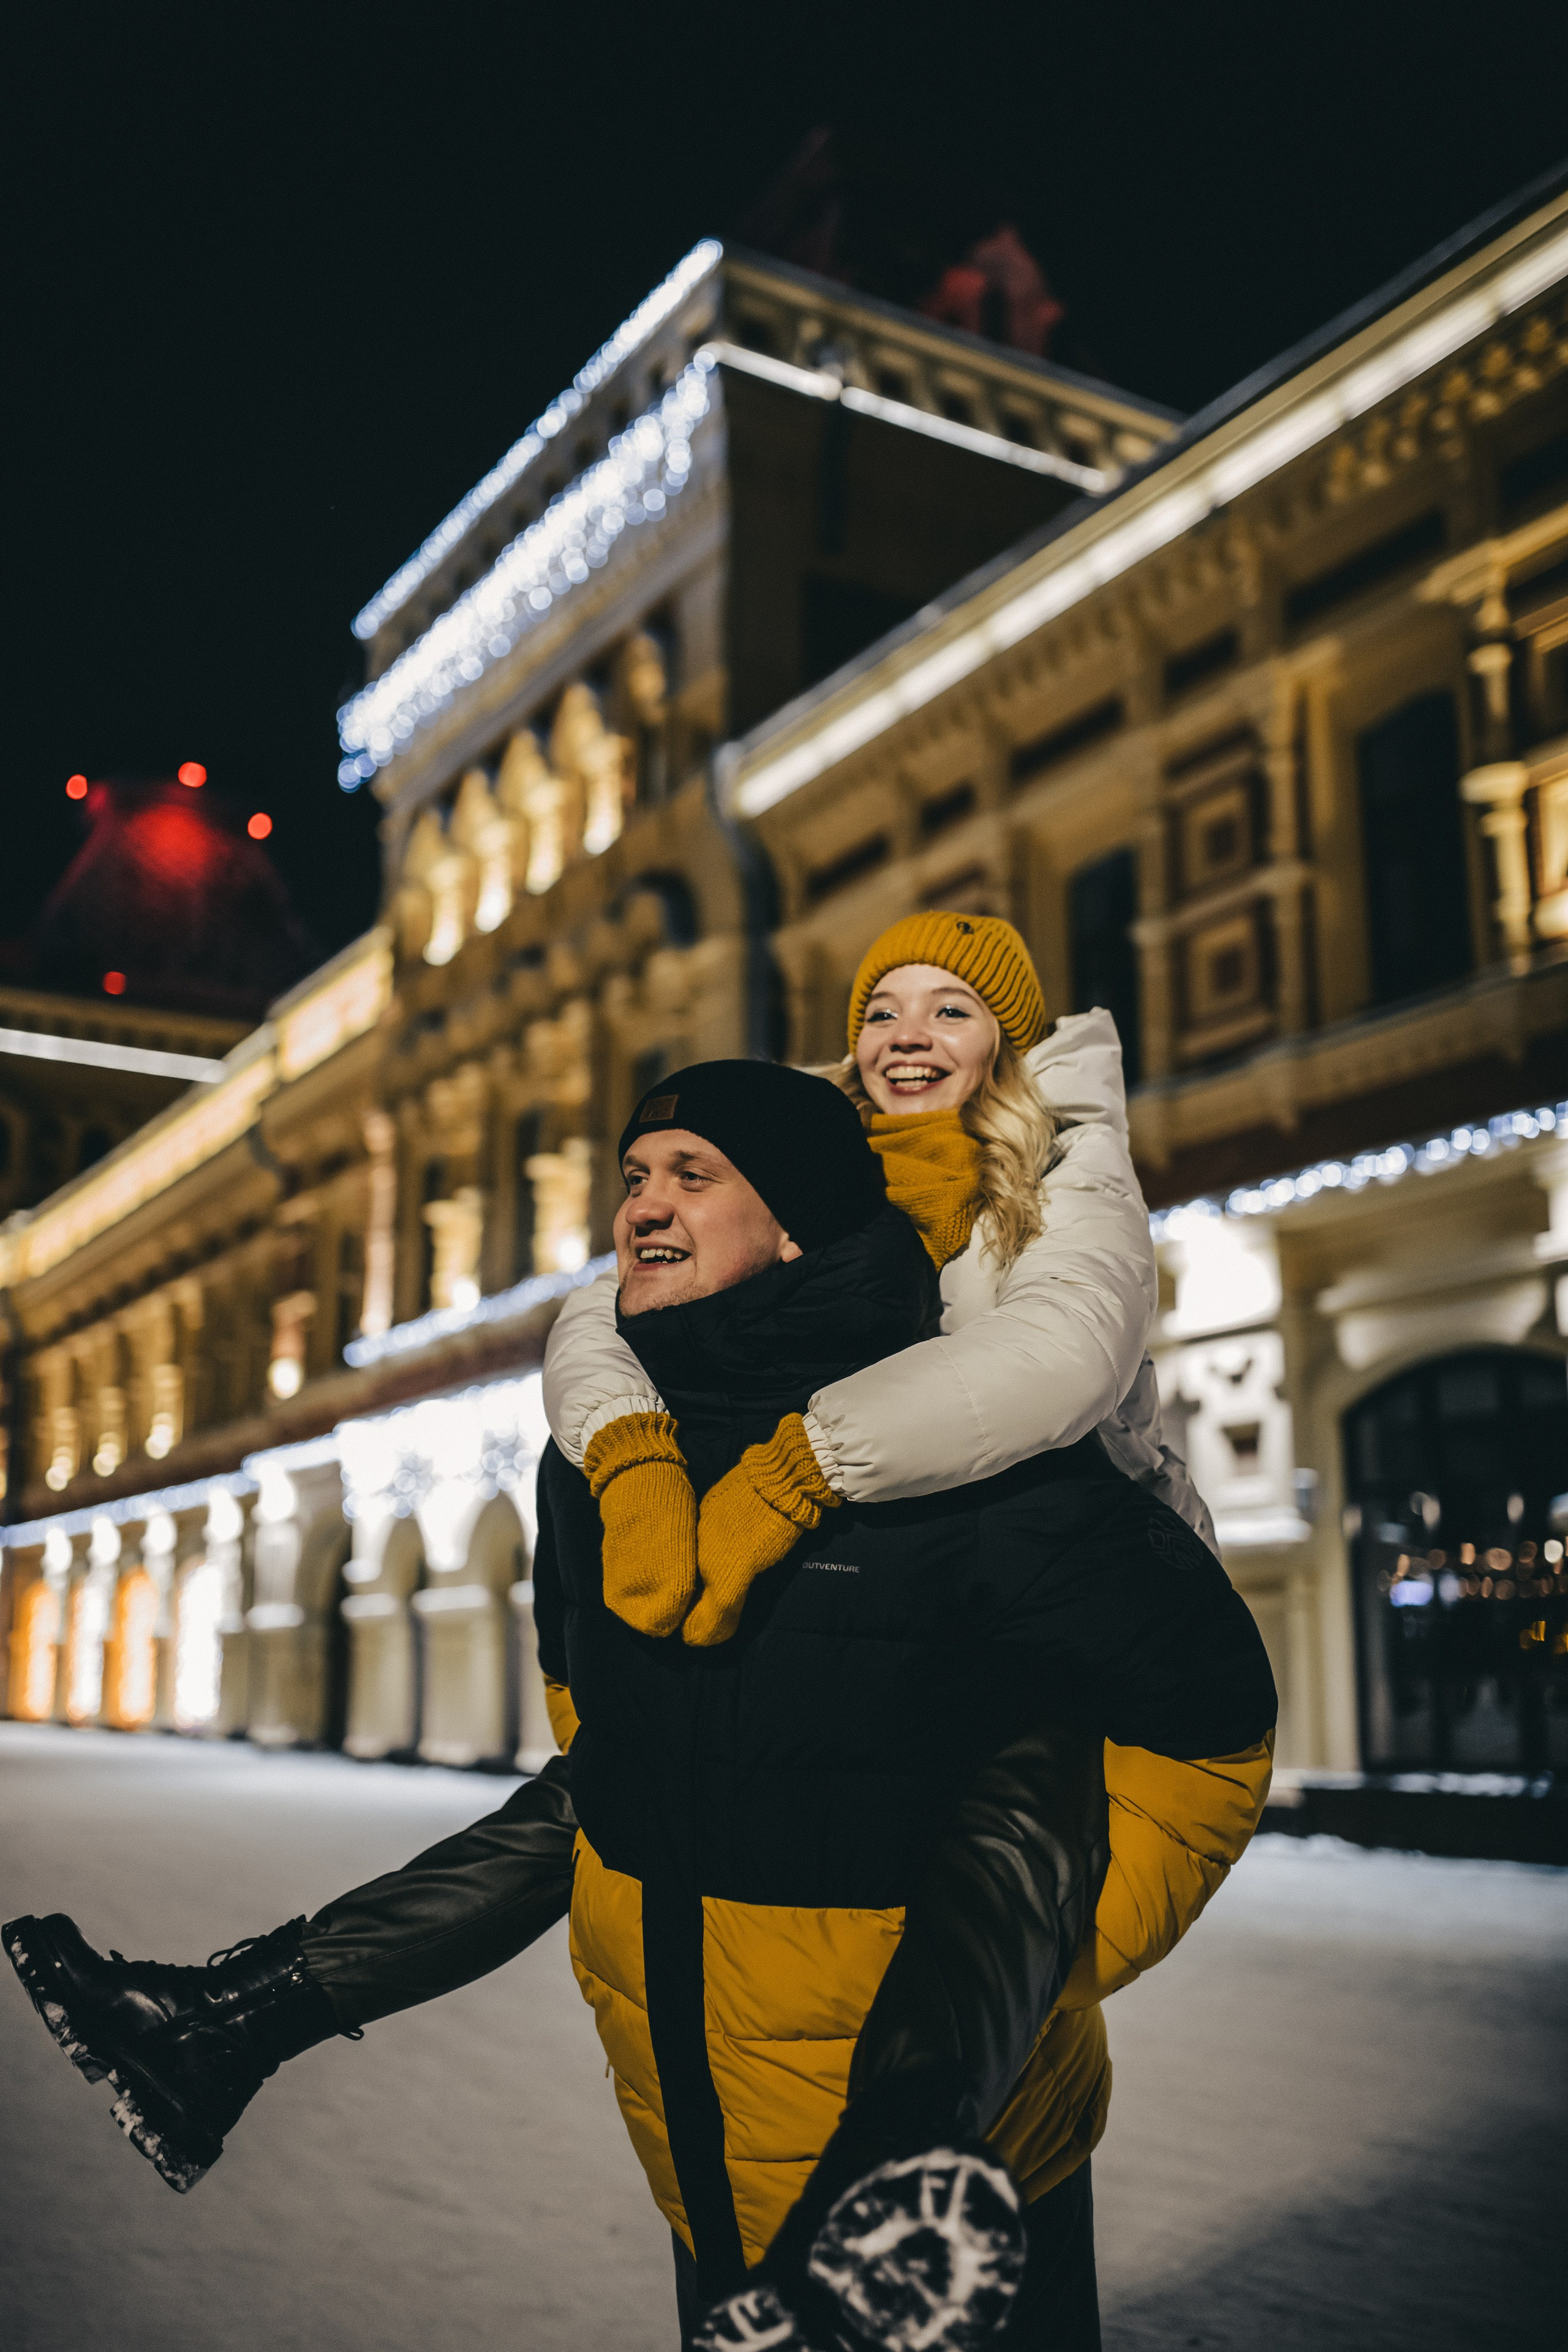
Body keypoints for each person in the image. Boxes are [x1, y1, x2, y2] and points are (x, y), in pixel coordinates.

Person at [6, 1059, 1275, 2351]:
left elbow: (1207, 1717)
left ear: (792, 1220)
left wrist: (1056, 1949)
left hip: (957, 2198)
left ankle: (891, 2176)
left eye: (691, 1174)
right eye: (630, 1177)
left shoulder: (953, 1437)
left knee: (1028, 1756)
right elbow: (590, 1720)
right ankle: (224, 2025)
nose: (642, 1206)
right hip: (702, 2132)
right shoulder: (607, 1461)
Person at [543, 910, 1212, 1664]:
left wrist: (797, 1470)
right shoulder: (815, 1159)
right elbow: (611, 1304)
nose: (906, 1035)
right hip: (898, 1568)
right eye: (881, 1013)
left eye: (951, 1011)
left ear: (1005, 1041)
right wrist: (630, 1451)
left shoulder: (1065, 1165)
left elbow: (1065, 1350)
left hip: (1089, 1570)